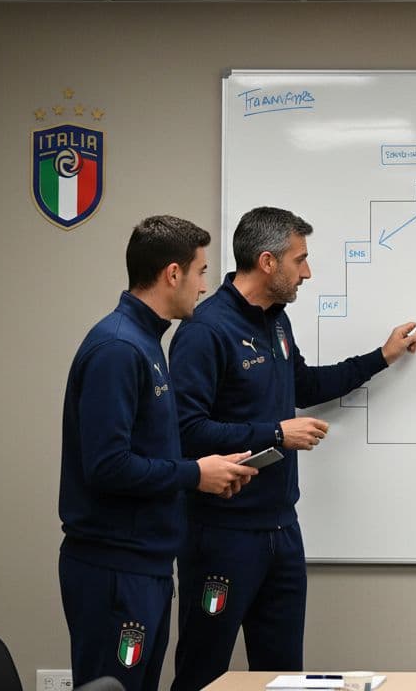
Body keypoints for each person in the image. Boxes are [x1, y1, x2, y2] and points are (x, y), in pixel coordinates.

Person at [168, 206, 416, 691]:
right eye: (300, 260)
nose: (307, 272)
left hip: (282, 531)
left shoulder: (277, 321)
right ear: (268, 262)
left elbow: (303, 384)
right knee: (204, 670)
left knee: (286, 675)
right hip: (222, 535)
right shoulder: (206, 330)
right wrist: (275, 433)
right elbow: (185, 431)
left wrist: (382, 357)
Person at [58, 216, 259, 691]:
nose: (206, 286)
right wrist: (195, 475)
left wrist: (205, 472)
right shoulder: (118, 348)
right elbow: (107, 466)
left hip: (143, 564)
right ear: (173, 274)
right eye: (202, 271)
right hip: (114, 567)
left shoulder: (146, 340)